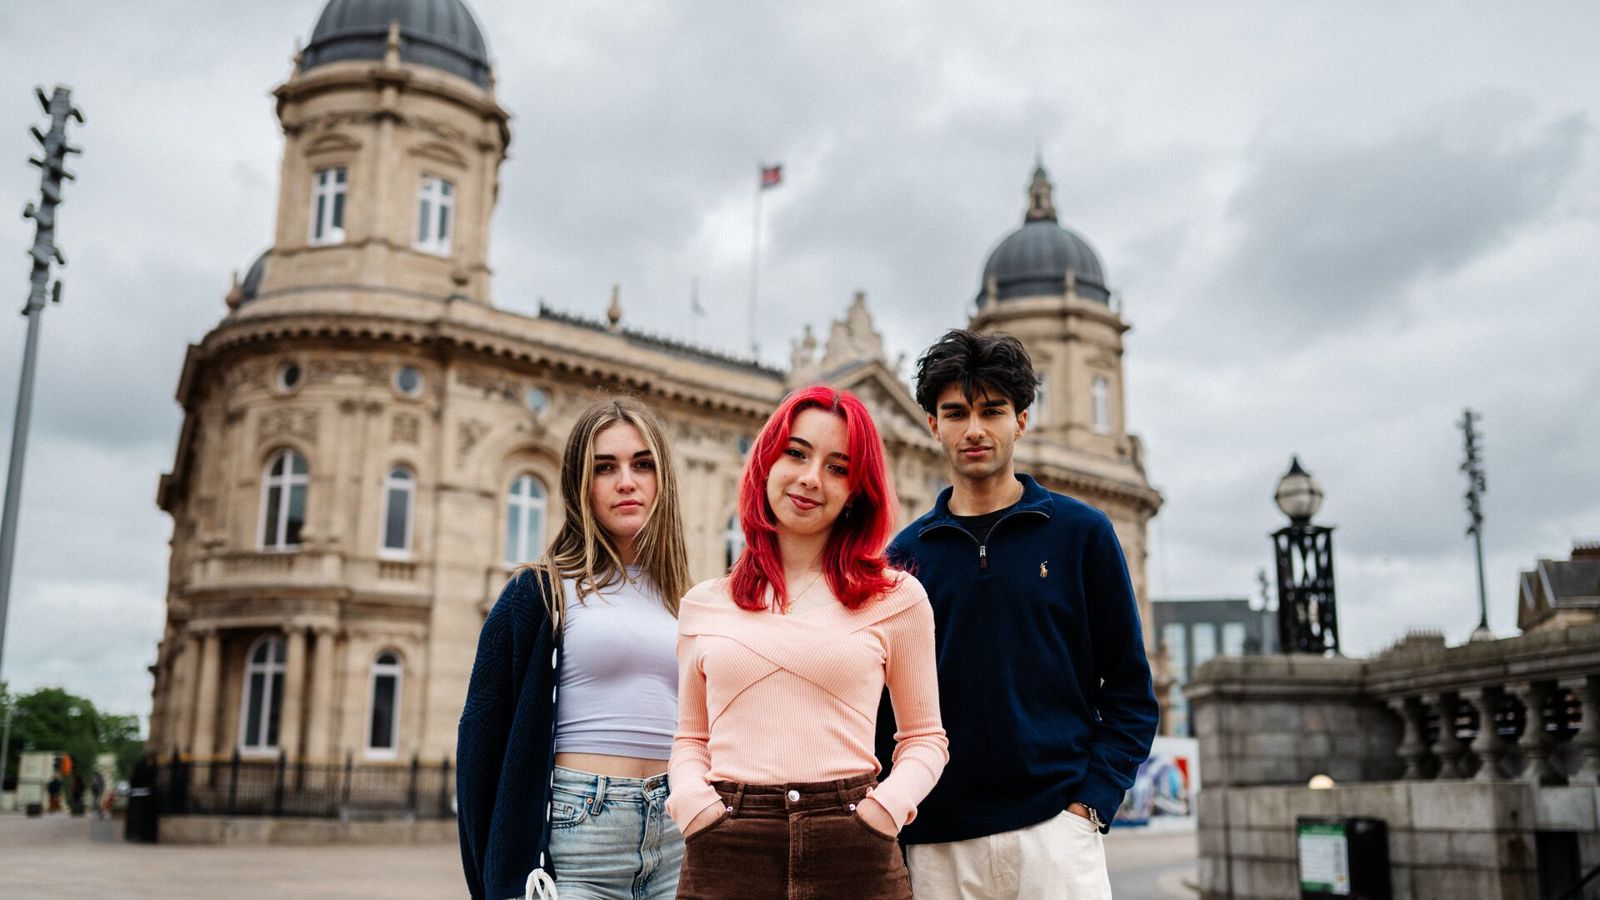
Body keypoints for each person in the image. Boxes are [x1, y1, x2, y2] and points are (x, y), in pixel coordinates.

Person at [875, 329, 1159, 900]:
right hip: (936, 845)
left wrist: (1089, 806)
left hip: (1056, 835)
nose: (973, 429)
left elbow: (1129, 689)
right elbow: (884, 709)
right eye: (955, 413)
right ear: (933, 425)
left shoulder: (1083, 535)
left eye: (992, 410)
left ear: (1021, 420)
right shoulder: (901, 560)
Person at [668, 385, 948, 900]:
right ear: (765, 463)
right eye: (795, 453)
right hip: (725, 845)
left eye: (838, 467)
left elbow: (925, 738)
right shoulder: (703, 605)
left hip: (854, 847)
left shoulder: (898, 599)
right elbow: (690, 741)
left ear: (856, 492)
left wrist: (884, 811)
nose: (810, 479)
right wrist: (693, 807)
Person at [458, 396, 692, 900]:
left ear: (662, 480)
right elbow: (479, 743)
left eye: (642, 464)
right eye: (604, 467)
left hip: (675, 834)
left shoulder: (686, 600)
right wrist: (492, 879)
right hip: (579, 833)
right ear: (580, 484)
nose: (626, 481)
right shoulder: (538, 593)